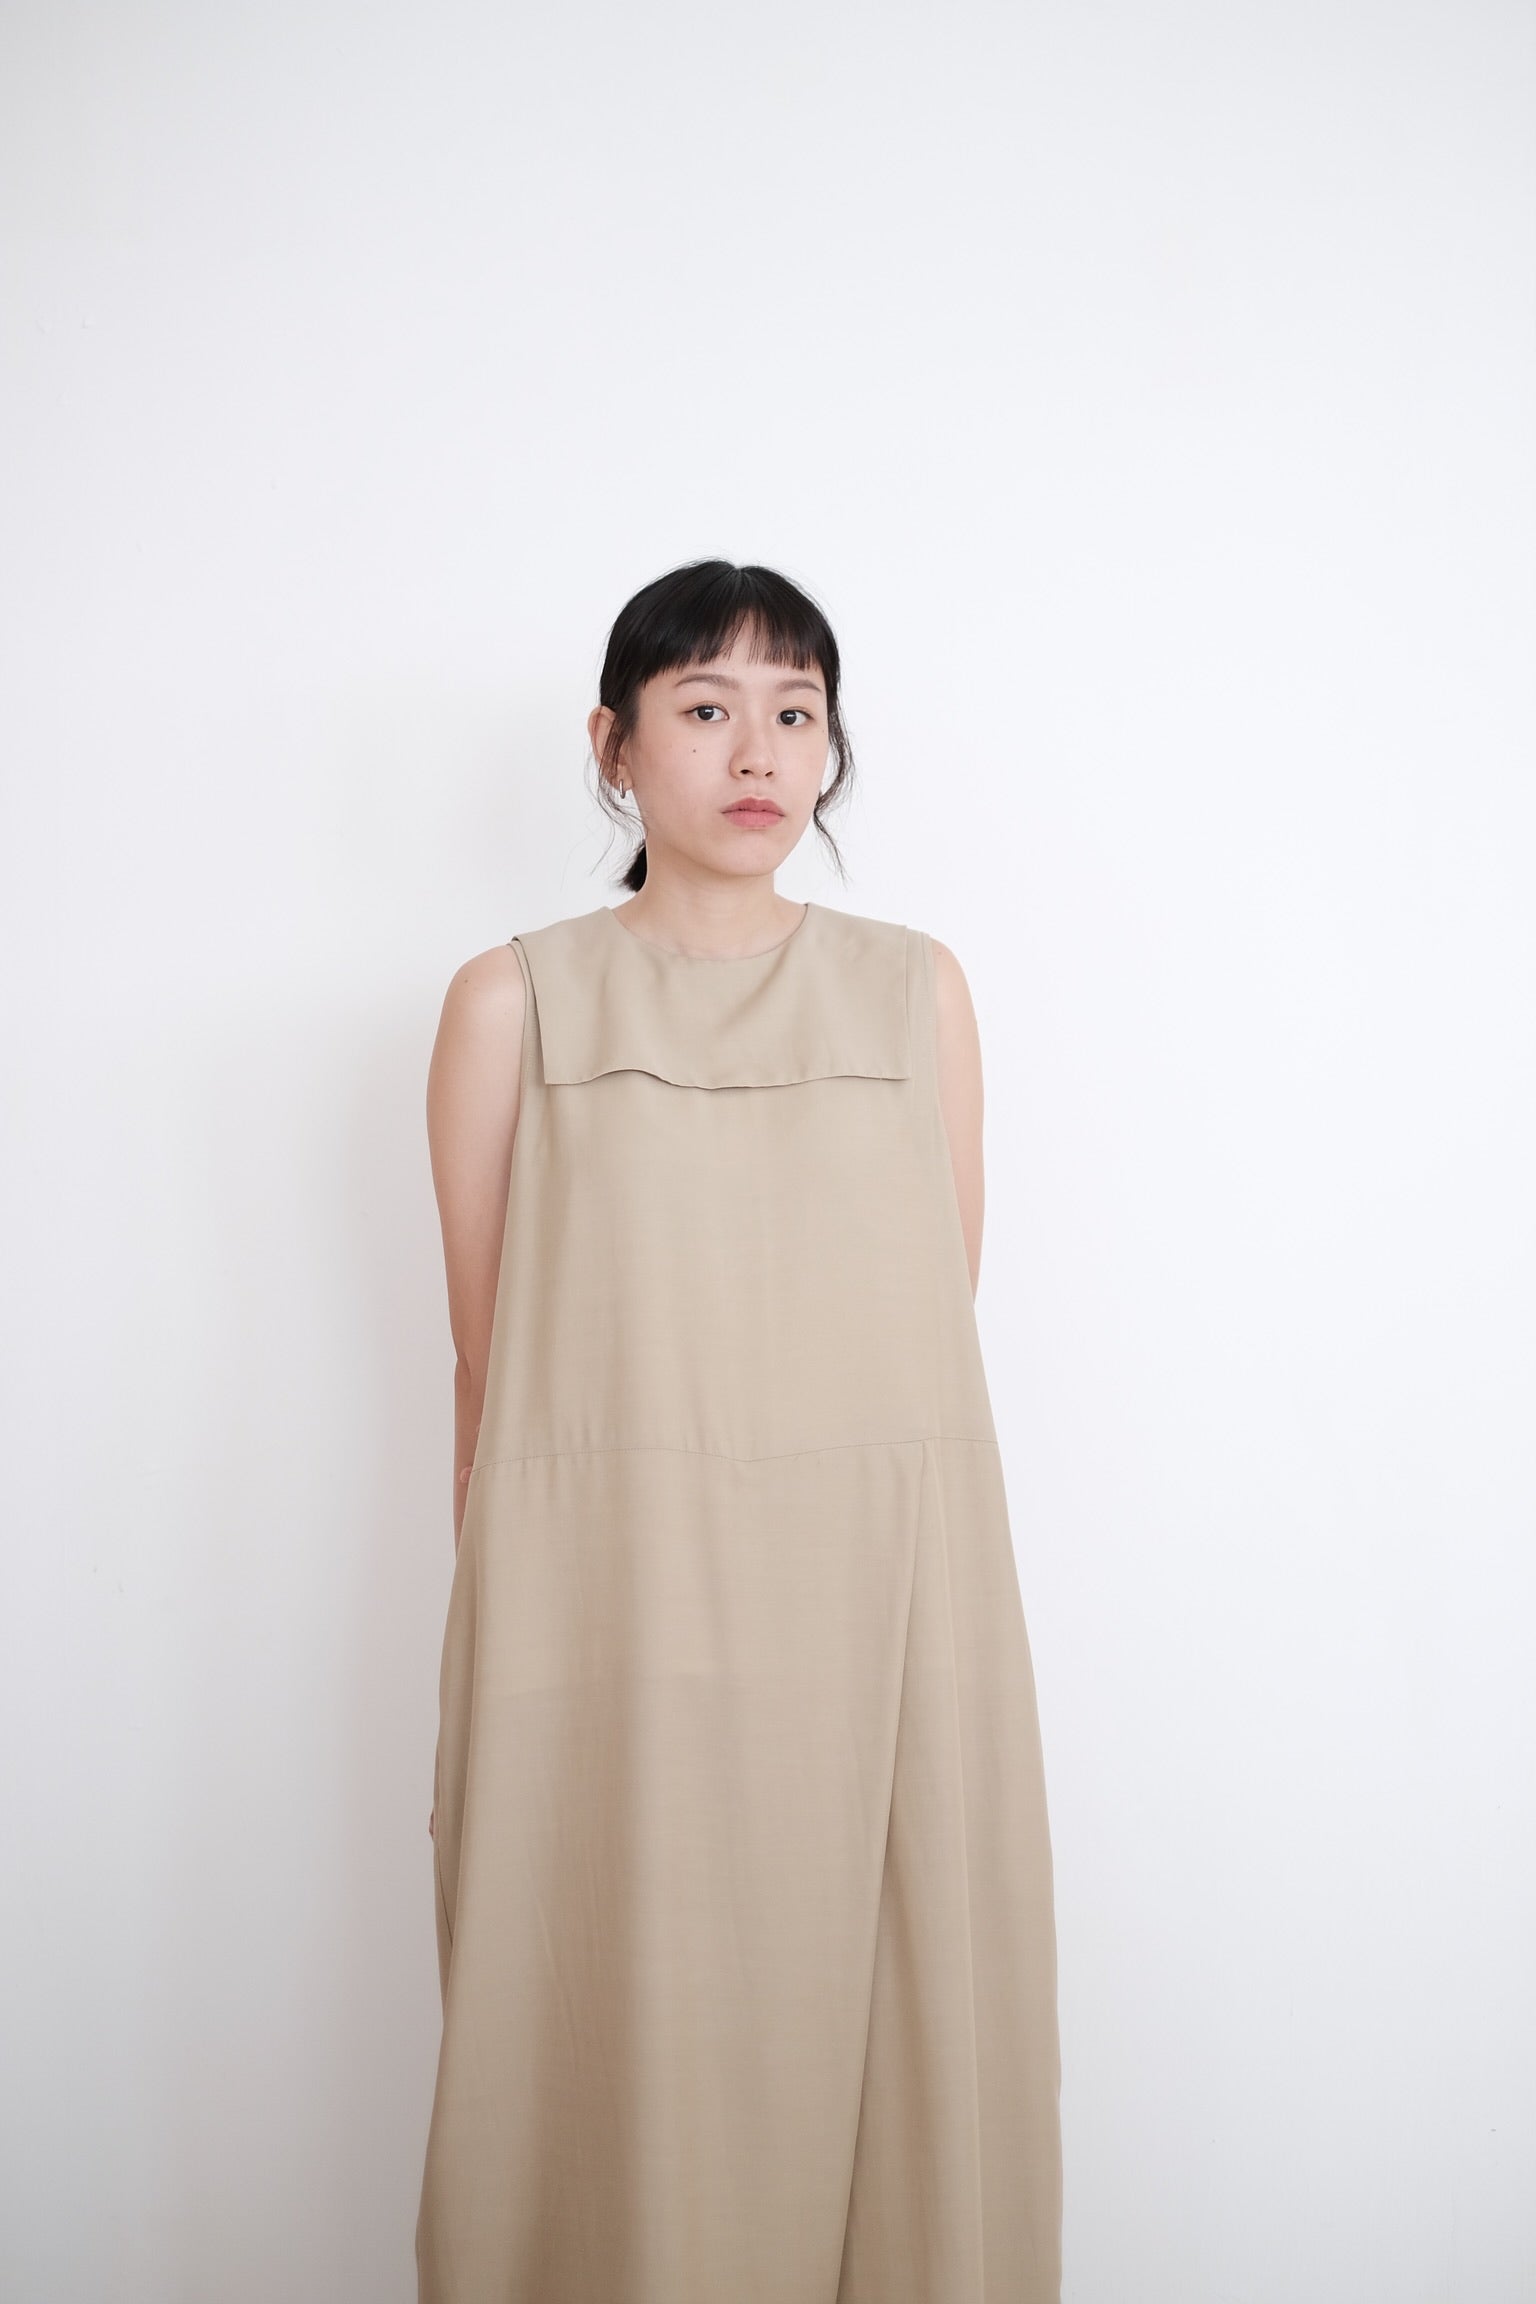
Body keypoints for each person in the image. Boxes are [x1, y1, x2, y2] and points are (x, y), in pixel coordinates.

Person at [415, 558, 1061, 2302]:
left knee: (903, 2032)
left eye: (796, 711)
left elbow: (930, 1329)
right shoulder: (512, 1002)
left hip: (885, 1603)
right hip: (608, 1601)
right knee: (606, 2022)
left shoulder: (916, 991)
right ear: (614, 747)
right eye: (705, 708)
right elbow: (490, 1365)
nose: (757, 751)